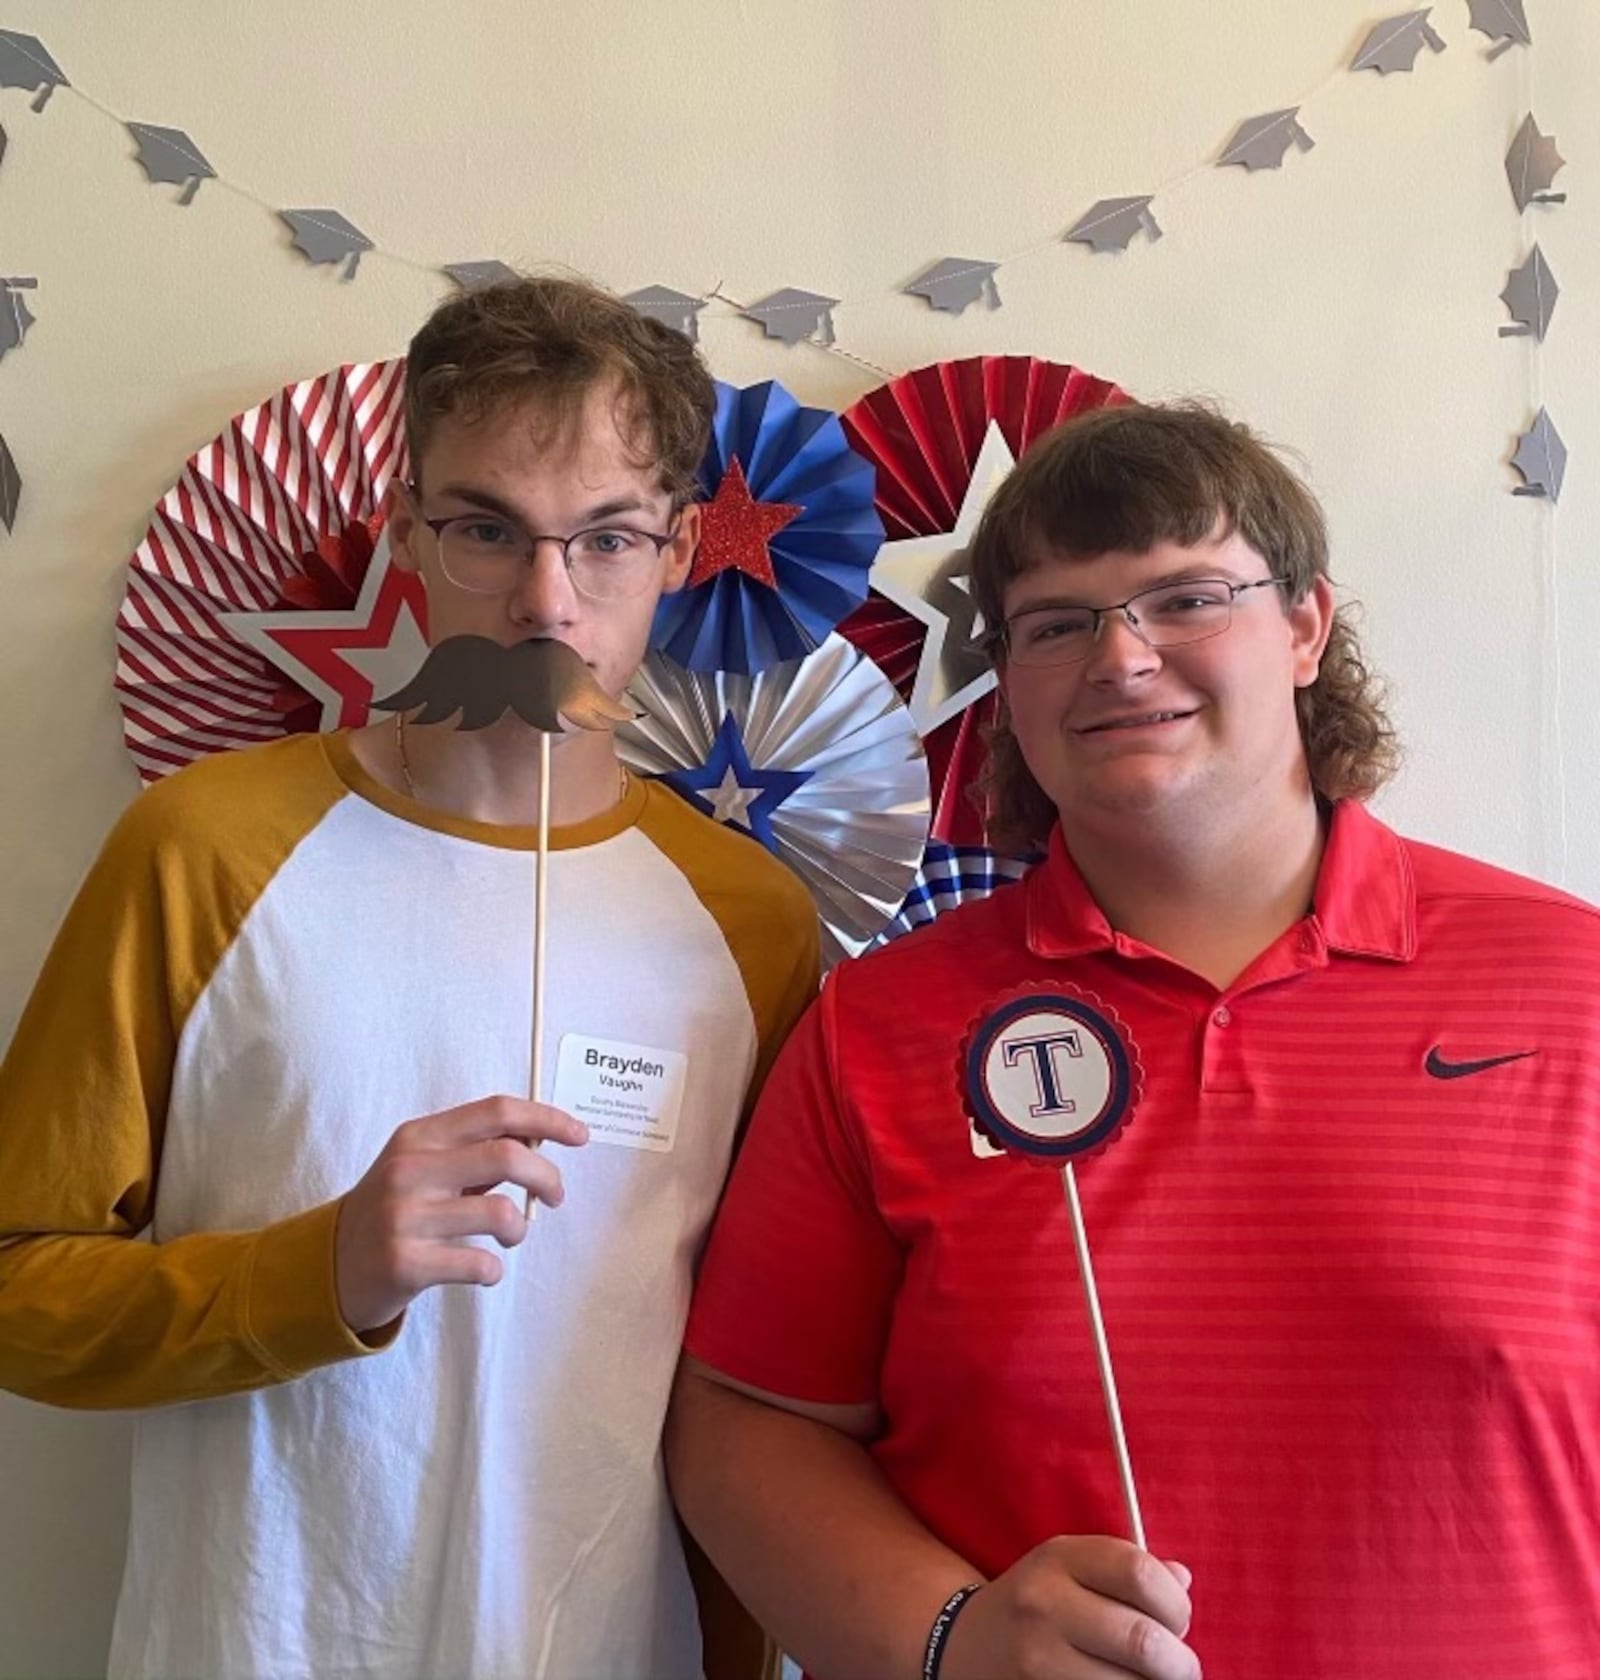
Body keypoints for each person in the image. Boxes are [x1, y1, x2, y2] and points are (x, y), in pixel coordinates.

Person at [667, 402, 1600, 1680]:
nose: (1120, 658)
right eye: (1057, 623)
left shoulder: (1571, 983)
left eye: (1185, 598)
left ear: (1306, 629)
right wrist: (948, 1640)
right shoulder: (878, 1031)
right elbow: (747, 1423)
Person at [0, 276, 819, 1680]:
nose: (546, 596)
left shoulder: (749, 918)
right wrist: (314, 1271)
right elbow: (19, 1286)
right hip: (255, 1641)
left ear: (681, 547)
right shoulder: (203, 847)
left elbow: (767, 1384)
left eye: (607, 536)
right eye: (487, 528)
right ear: (405, 533)